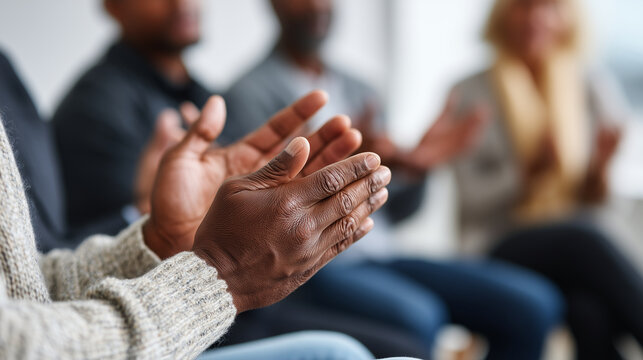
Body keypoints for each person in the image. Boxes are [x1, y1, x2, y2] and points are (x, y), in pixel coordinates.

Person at [223, 1, 564, 359]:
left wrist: (414, 167)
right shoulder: (249, 95)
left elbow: (399, 210)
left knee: (533, 305)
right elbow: (260, 222)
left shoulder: (360, 88)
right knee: (420, 317)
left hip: (381, 253)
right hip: (317, 266)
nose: (317, 5)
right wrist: (340, 165)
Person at [0, 66, 401, 359]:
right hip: (162, 322)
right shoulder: (96, 103)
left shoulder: (9, 75)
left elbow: (27, 284)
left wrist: (161, 239)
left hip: (153, 311)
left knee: (345, 349)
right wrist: (219, 272)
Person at [447, 0, 643, 358]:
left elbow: (603, 199)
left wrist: (599, 170)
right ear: (504, 14)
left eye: (549, 7)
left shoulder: (590, 83)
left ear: (568, 17)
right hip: (500, 243)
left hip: (574, 250)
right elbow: (470, 198)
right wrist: (526, 174)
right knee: (586, 237)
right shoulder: (468, 92)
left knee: (589, 313)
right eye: (524, 6)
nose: (536, 18)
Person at [52, 0, 216, 241]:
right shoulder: (95, 108)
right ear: (114, 7)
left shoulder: (206, 94)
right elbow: (91, 252)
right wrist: (150, 209)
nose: (182, 3)